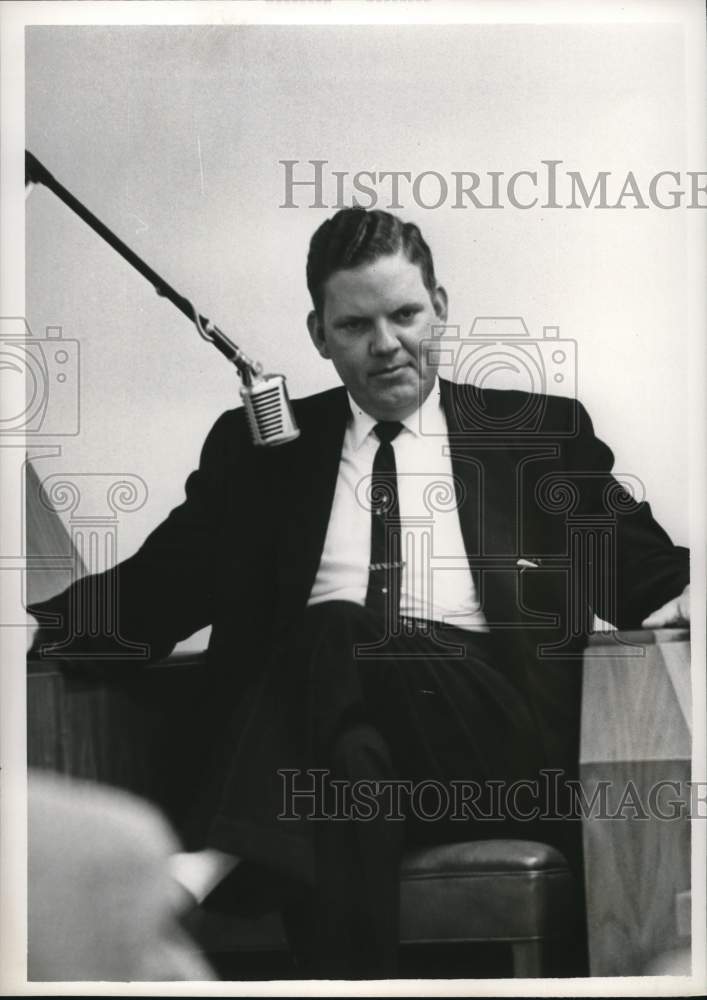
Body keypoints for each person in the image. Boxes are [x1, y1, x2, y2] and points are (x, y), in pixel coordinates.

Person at [29, 208, 690, 979]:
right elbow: (155, 593)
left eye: (405, 314)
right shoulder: (262, 457)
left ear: (439, 305)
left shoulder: (532, 435)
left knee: (336, 626)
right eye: (355, 325)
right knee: (350, 760)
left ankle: (218, 853)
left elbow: (650, 578)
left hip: (492, 755)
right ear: (318, 333)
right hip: (328, 756)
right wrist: (25, 627)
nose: (386, 345)